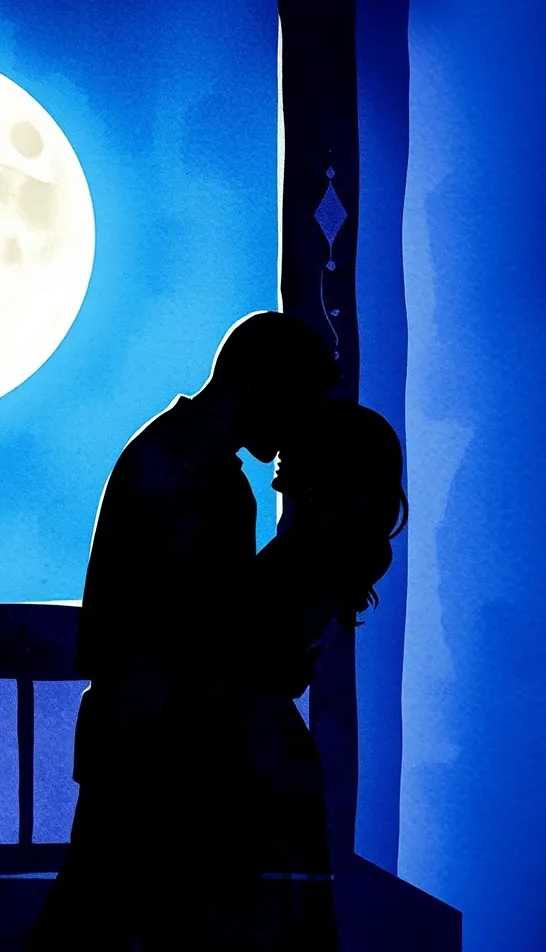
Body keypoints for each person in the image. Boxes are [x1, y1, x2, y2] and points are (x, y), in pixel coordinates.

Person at [28, 311, 339, 952]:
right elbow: (208, 633)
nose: (296, 429)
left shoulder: (173, 453)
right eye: (297, 403)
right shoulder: (201, 477)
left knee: (92, 918)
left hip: (141, 737)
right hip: (167, 749)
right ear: (261, 386)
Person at [226, 400, 410, 950]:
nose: (283, 445)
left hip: (257, 758)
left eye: (301, 438)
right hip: (267, 752)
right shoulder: (312, 559)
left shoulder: (302, 563)